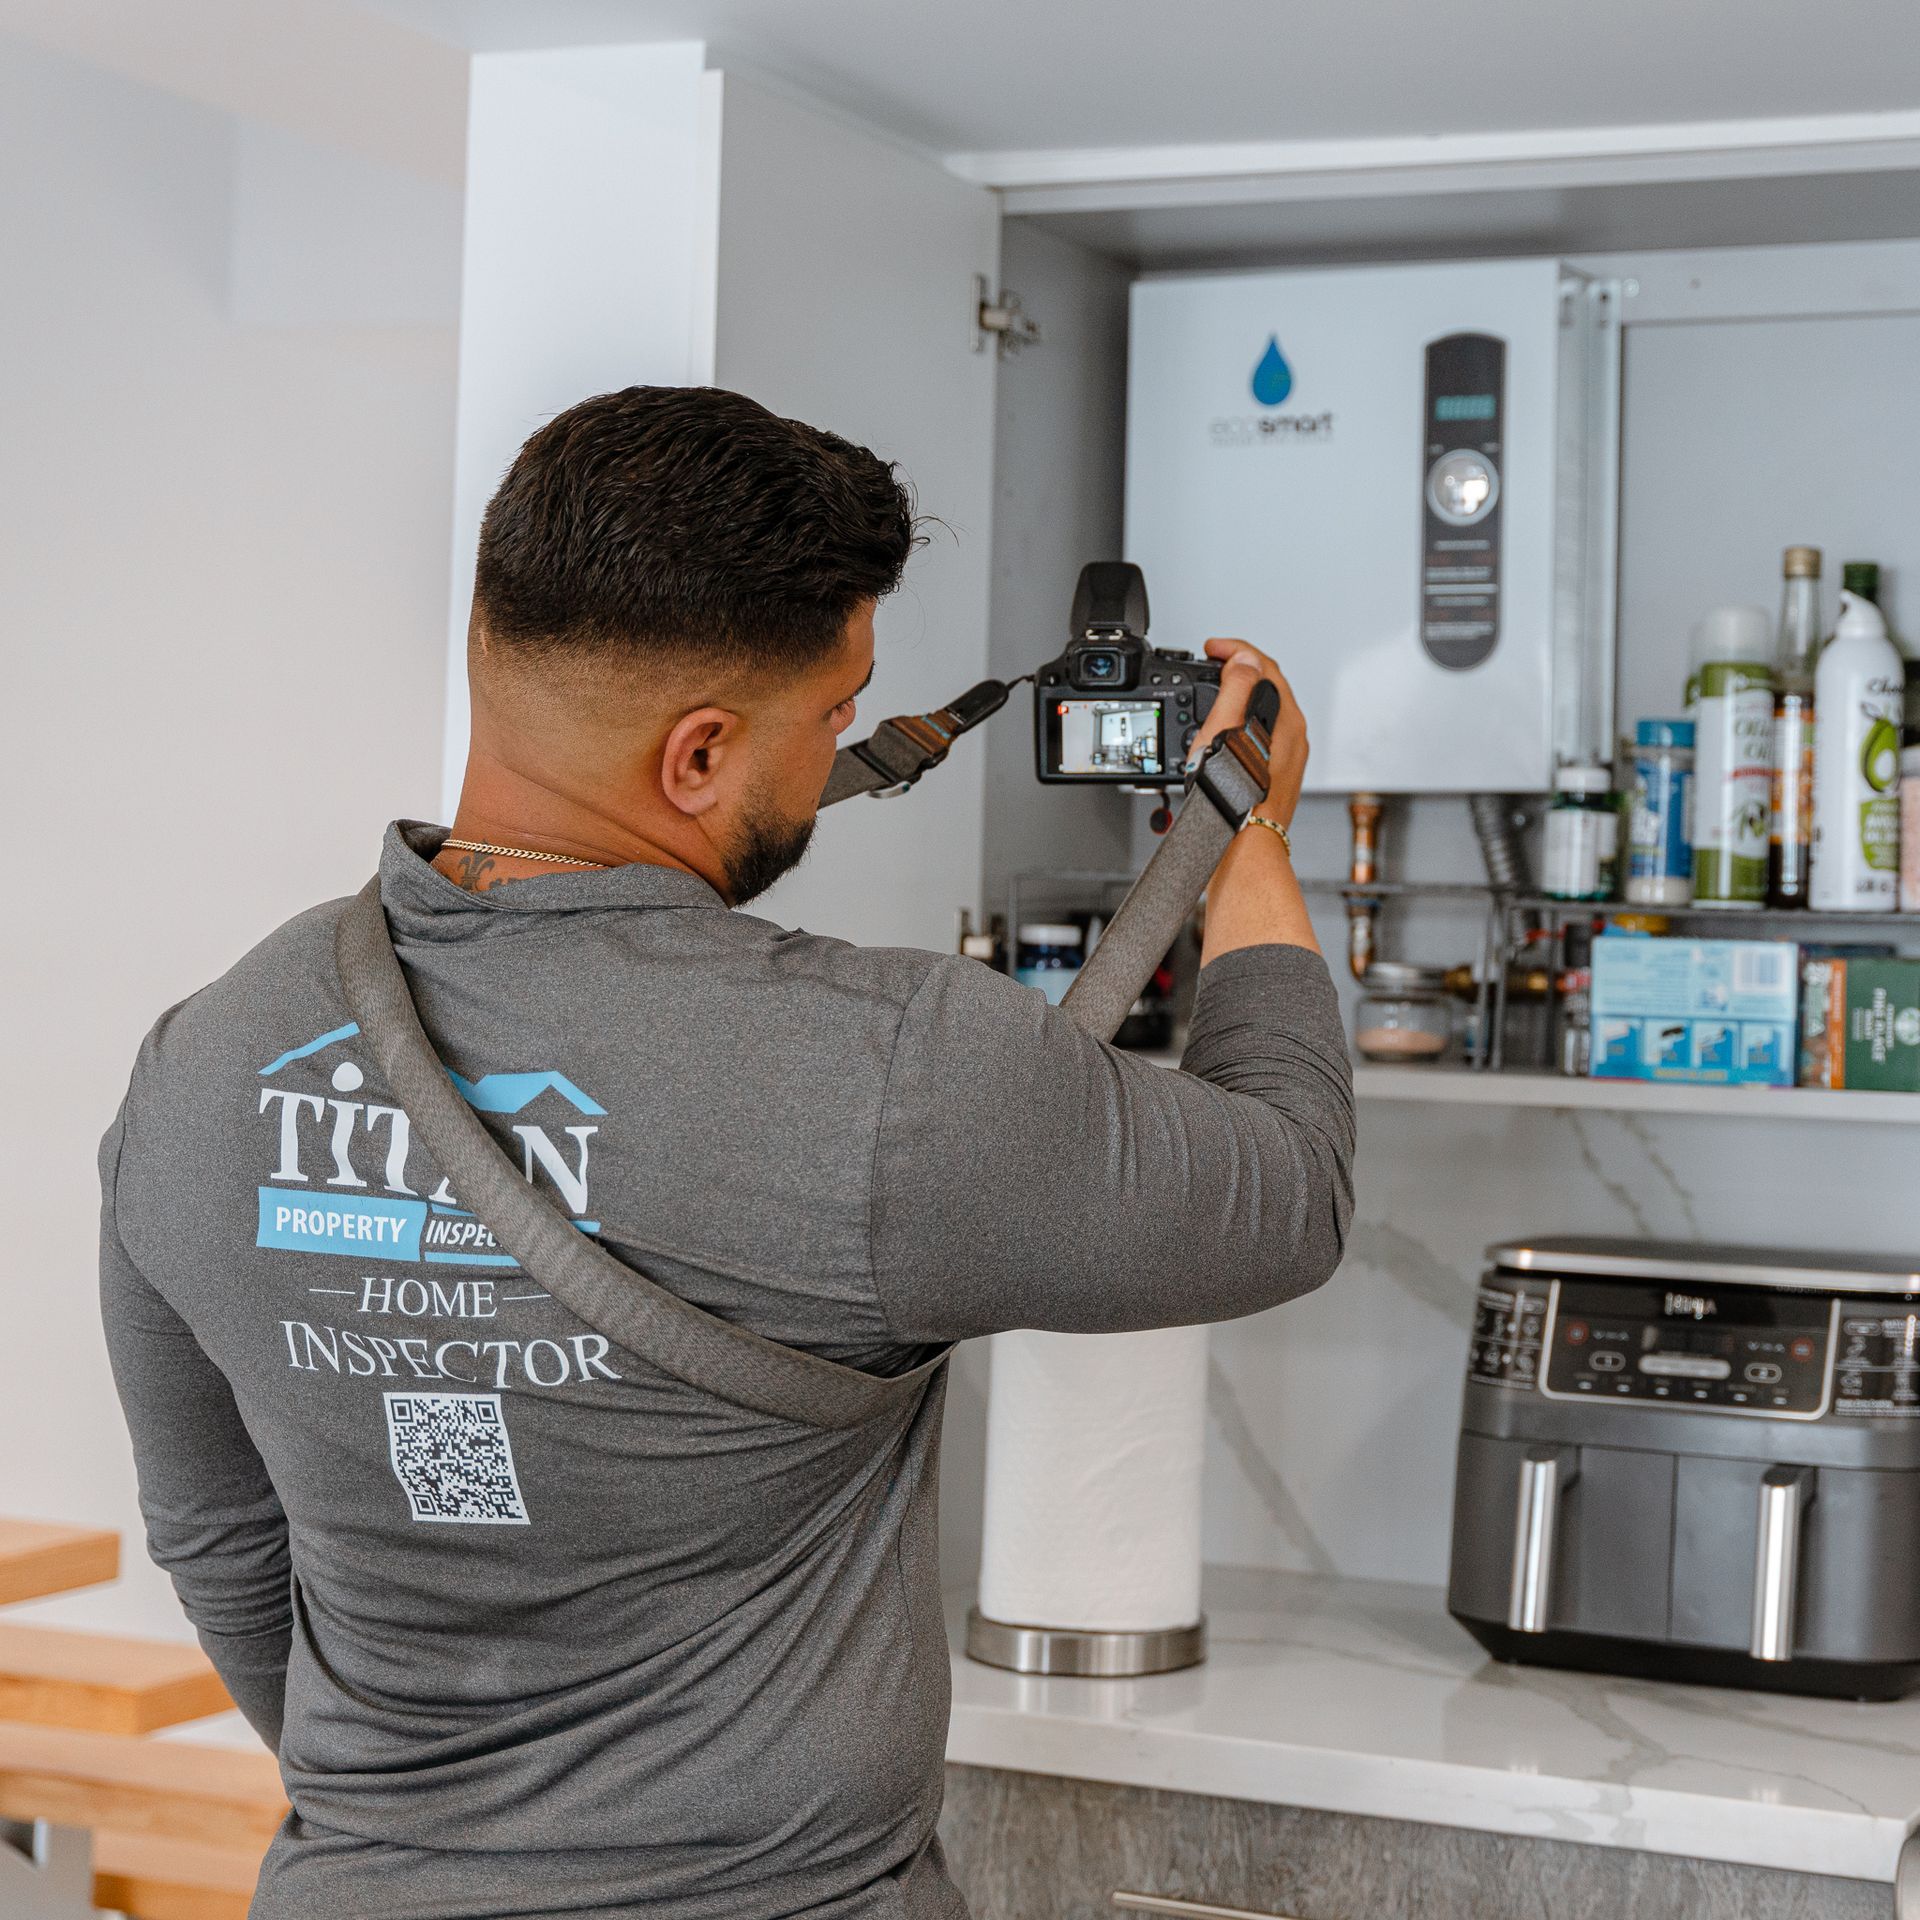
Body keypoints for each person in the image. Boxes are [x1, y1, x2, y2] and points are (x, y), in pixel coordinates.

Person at [100, 385, 1354, 1920]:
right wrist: (1256, 833)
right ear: (697, 757)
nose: (848, 743)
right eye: (836, 715)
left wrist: (442, 1833)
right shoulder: (890, 1073)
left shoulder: (199, 1063)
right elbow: (1288, 1183)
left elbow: (218, 1537)